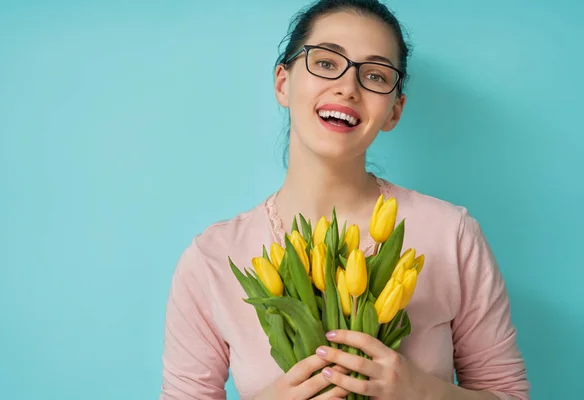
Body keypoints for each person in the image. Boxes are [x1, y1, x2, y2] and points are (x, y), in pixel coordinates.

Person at [159, 0, 530, 399]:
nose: (348, 87)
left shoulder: (452, 234)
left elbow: (508, 394)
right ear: (283, 83)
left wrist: (420, 391)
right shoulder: (212, 259)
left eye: (374, 75)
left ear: (394, 111)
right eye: (325, 63)